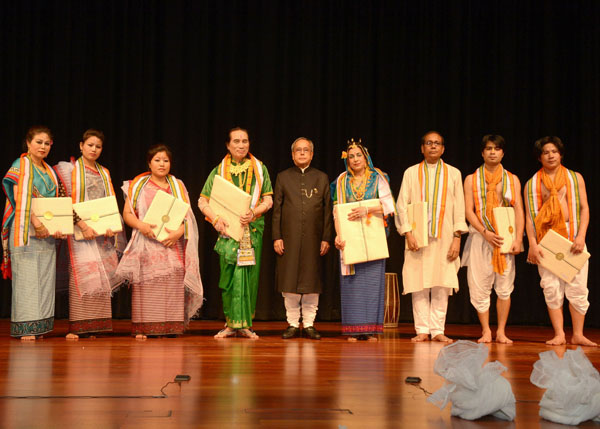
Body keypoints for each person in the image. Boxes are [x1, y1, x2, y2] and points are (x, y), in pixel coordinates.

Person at [115, 144, 203, 339]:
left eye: (166, 160)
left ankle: (171, 328)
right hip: (147, 244)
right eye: (157, 160)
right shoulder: (139, 185)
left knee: (171, 286)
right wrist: (141, 226)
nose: (162, 164)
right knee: (148, 286)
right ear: (149, 163)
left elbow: (188, 217)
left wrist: (178, 233)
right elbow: (127, 213)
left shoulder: (177, 185)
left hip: (172, 245)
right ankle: (145, 328)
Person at [199, 128, 273, 339]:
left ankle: (246, 324)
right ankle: (231, 324)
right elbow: (202, 201)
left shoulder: (260, 169)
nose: (241, 145)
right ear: (228, 145)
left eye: (245, 141)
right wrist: (215, 219)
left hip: (252, 230)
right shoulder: (218, 171)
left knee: (249, 277)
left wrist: (254, 212)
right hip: (228, 232)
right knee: (229, 277)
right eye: (237, 141)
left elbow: (269, 200)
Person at [396, 131, 468, 343]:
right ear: (422, 148)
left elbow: (460, 208)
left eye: (437, 143)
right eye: (429, 143)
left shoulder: (454, 173)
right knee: (418, 282)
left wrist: (457, 238)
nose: (433, 147)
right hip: (417, 236)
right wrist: (407, 232)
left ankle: (437, 329)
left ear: (443, 148)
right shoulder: (411, 173)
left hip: (445, 236)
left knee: (441, 282)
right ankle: (422, 329)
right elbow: (401, 205)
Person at [55, 129, 126, 339]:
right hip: (79, 230)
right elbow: (63, 200)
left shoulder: (104, 172)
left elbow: (109, 201)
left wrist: (111, 225)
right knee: (83, 276)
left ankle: (96, 326)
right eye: (90, 145)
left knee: (101, 279)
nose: (94, 149)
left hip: (101, 234)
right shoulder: (69, 170)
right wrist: (82, 225)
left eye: (98, 146)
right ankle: (78, 326)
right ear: (81, 145)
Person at [524, 136, 596, 346]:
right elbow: (530, 218)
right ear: (540, 157)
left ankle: (578, 334)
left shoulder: (575, 178)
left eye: (554, 151)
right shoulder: (533, 183)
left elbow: (584, 208)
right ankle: (559, 334)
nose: (550, 155)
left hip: (573, 237)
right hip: (546, 241)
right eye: (546, 152)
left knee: (578, 288)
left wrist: (581, 235)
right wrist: (533, 244)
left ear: (561, 154)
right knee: (551, 288)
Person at [2, 126, 66, 340]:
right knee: (27, 279)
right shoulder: (21, 165)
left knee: (45, 278)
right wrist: (36, 223)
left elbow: (56, 205)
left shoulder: (50, 170)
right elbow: (20, 198)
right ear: (28, 143)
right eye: (39, 142)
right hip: (26, 229)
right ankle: (25, 327)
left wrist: (59, 227)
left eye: (47, 143)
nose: (43, 146)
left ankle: (40, 326)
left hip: (46, 233)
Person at [332, 139, 395, 341]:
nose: (355, 159)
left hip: (373, 235)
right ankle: (353, 329)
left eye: (358, 155)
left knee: (372, 283)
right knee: (352, 283)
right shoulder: (342, 181)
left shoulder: (378, 177)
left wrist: (366, 209)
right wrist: (338, 235)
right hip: (350, 237)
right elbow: (337, 211)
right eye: (351, 156)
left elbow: (389, 206)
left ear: (365, 156)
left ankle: (371, 330)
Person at [462, 135, 524, 344]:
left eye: (497, 149)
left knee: (504, 286)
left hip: (505, 238)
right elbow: (468, 211)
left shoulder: (512, 179)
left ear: (502, 153)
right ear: (482, 152)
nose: (492, 152)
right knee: (479, 285)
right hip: (481, 237)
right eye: (488, 148)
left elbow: (519, 210)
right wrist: (484, 232)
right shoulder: (471, 179)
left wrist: (518, 239)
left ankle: (501, 331)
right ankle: (486, 330)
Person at [272, 137, 333, 340]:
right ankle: (291, 323)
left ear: (312, 154)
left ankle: (308, 323)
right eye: (298, 150)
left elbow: (327, 211)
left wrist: (326, 237)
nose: (302, 153)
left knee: (311, 281)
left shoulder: (322, 178)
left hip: (315, 239)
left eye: (306, 150)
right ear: (292, 154)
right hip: (288, 237)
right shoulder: (283, 177)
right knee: (289, 281)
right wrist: (277, 236)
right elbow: (277, 210)